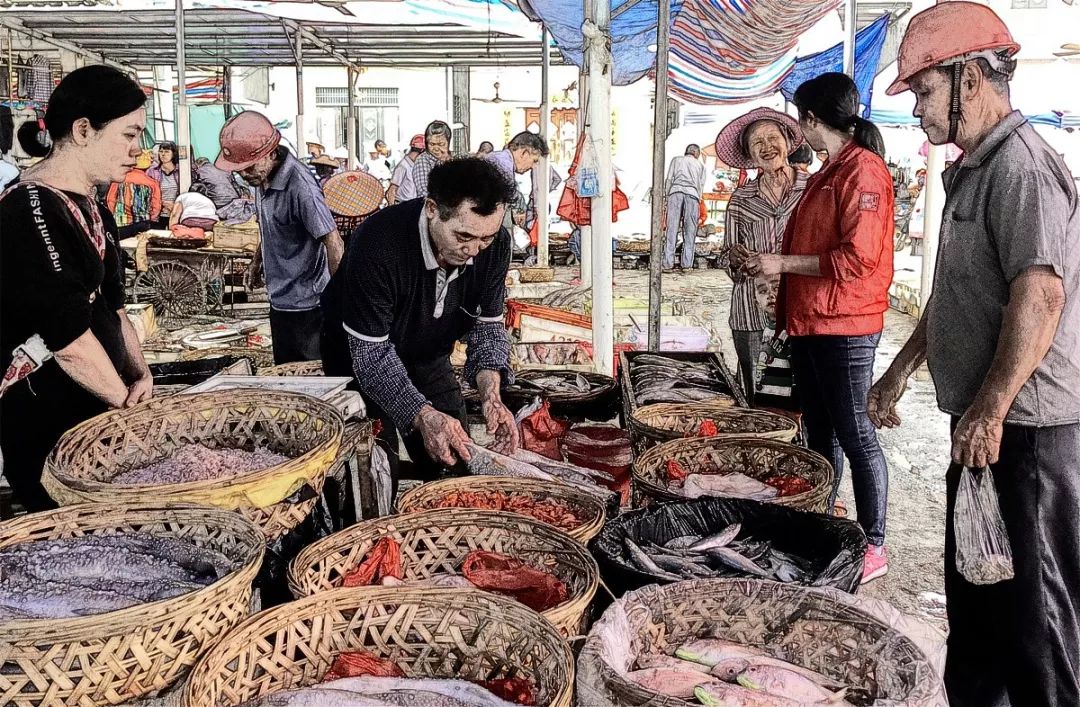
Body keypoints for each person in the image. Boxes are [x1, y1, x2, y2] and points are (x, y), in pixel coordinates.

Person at [867, 4, 1080, 704]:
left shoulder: (1024, 168)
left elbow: (1040, 299)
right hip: (983, 436)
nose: (921, 113)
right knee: (980, 617)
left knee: (1035, 625)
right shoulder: (971, 171)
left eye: (925, 92)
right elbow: (954, 293)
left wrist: (990, 410)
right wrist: (900, 369)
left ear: (968, 78)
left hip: (1028, 440)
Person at [744, 73, 894, 583]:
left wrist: (782, 265)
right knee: (821, 433)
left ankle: (874, 543)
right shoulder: (831, 170)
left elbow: (857, 259)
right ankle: (824, 519)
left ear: (811, 120)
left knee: (857, 434)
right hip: (811, 321)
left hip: (844, 325)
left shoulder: (862, 172)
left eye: (798, 121)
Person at [0, 65, 153, 512]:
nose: (137, 151)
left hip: (99, 419)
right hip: (50, 428)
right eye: (129, 135)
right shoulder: (28, 211)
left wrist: (140, 374)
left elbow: (115, 306)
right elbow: (67, 340)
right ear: (84, 130)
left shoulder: (91, 203)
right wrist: (126, 409)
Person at [321, 157, 519, 485]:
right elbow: (372, 357)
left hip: (428, 352)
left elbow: (488, 326)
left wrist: (490, 394)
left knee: (456, 458)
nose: (474, 250)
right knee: (376, 469)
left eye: (485, 238)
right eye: (463, 236)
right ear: (431, 209)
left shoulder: (495, 247)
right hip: (357, 358)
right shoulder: (378, 245)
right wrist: (422, 415)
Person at [216, 111, 344, 365]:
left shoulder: (301, 187)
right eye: (240, 171)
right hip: (280, 302)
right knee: (285, 373)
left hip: (308, 307)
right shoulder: (260, 180)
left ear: (271, 154)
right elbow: (270, 227)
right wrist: (256, 262)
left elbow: (333, 240)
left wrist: (341, 300)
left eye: (250, 168)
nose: (245, 175)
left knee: (309, 377)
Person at [715, 108, 808, 405]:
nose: (767, 147)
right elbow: (726, 256)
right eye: (757, 143)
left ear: (787, 141)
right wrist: (733, 257)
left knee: (802, 394)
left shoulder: (812, 188)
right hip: (750, 312)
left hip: (801, 311)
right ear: (749, 155)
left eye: (772, 138)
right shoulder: (741, 199)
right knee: (758, 396)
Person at [484, 130, 547, 230]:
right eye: (534, 160)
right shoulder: (503, 166)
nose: (533, 166)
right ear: (524, 153)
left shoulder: (499, 159)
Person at [663, 144, 706, 272]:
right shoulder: (700, 165)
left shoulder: (676, 160)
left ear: (686, 151)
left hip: (675, 192)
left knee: (672, 229)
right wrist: (698, 200)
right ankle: (687, 264)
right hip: (692, 195)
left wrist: (666, 196)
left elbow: (669, 179)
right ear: (697, 154)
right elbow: (700, 185)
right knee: (690, 231)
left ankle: (667, 264)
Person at [105, 147, 161, 231]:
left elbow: (110, 200)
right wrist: (150, 217)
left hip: (121, 222)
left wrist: (114, 215)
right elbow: (156, 207)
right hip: (143, 222)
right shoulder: (152, 183)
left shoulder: (119, 179)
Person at [412, 120, 452, 199]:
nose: (436, 148)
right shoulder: (423, 160)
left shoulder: (453, 159)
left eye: (441, 144)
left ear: (448, 142)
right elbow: (424, 192)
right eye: (432, 144)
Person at [147, 141, 179, 228]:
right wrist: (162, 203)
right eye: (161, 151)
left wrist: (175, 206)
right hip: (157, 214)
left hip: (175, 213)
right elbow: (147, 193)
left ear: (173, 154)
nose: (163, 154)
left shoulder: (180, 171)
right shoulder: (152, 171)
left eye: (167, 151)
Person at [386, 134, 424, 204]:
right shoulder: (403, 166)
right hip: (402, 204)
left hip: (414, 205)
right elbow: (392, 190)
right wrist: (392, 208)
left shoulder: (416, 165)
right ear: (421, 151)